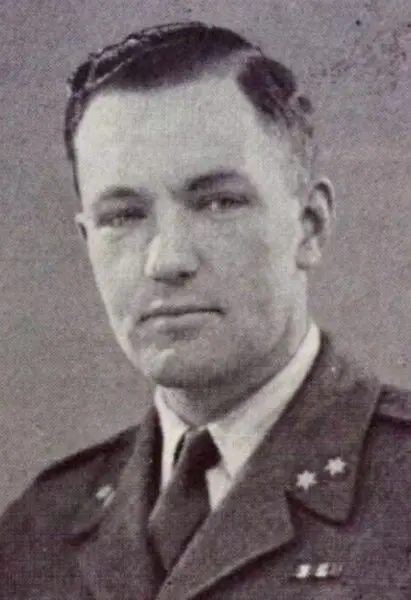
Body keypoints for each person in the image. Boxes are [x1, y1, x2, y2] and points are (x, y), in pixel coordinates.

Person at [0, 21, 410, 600]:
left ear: (309, 226)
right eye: (123, 216)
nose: (166, 260)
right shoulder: (38, 530)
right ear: (87, 240)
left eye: (218, 203)